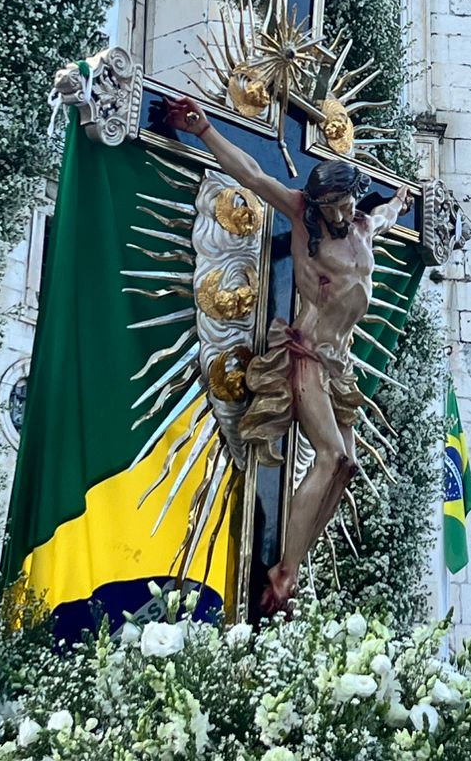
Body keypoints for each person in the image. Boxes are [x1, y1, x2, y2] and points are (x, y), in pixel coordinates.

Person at [163, 93, 410, 611]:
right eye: (335, 205)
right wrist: (204, 130)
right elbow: (254, 174)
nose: (344, 213)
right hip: (307, 355)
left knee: (349, 466)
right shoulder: (302, 218)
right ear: (318, 203)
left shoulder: (361, 226)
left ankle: (297, 558)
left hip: (339, 365)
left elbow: (385, 213)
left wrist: (403, 202)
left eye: (348, 203)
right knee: (332, 455)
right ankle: (284, 572)